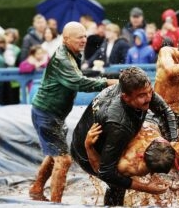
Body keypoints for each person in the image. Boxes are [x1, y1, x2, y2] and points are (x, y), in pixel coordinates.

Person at [29, 21, 118, 203]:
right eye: (80, 37)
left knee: (54, 155)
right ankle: (56, 203)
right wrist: (107, 82)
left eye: (85, 36)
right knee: (64, 160)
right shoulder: (62, 57)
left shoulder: (74, 53)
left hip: (54, 114)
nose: (84, 40)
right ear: (66, 39)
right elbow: (78, 82)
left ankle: (36, 189)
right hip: (46, 113)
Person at [71, 66, 178, 206]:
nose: (148, 98)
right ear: (125, 97)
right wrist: (147, 188)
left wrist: (174, 141)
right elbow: (106, 172)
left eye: (149, 92)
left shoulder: (136, 89)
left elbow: (165, 111)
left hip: (101, 132)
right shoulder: (119, 126)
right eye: (141, 96)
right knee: (118, 179)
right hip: (86, 153)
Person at [84, 71, 179, 179]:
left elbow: (101, 170)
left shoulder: (129, 163)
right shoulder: (178, 152)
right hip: (146, 120)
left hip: (136, 122)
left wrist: (89, 147)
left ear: (142, 155)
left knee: (117, 185)